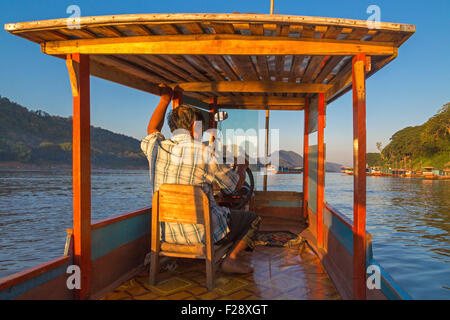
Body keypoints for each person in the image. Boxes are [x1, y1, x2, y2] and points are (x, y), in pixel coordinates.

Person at [141, 86, 261, 274]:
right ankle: (231, 260)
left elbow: (152, 129)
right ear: (193, 126)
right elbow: (232, 188)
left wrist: (164, 100)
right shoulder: (205, 153)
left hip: (166, 234)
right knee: (252, 219)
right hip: (201, 235)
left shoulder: (156, 148)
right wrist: (242, 168)